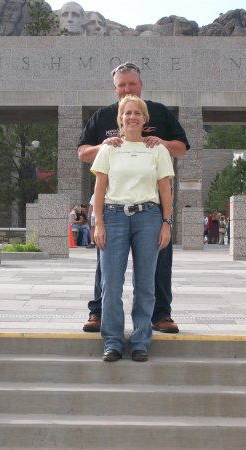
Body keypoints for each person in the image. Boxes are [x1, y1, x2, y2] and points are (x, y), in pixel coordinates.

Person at [78, 62, 190, 334]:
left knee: (159, 262)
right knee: (106, 265)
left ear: (141, 85)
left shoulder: (160, 113)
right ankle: (98, 312)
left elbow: (182, 147)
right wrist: (102, 146)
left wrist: (161, 143)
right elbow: (82, 153)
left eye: (132, 83)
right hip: (114, 209)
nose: (127, 88)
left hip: (150, 209)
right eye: (122, 85)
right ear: (115, 88)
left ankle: (161, 315)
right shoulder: (102, 117)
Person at [92, 95, 174, 362]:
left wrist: (166, 223)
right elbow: (100, 189)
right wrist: (99, 224)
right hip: (114, 217)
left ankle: (140, 340)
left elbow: (165, 190)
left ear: (144, 118)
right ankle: (113, 341)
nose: (132, 117)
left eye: (137, 113)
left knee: (145, 283)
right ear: (120, 118)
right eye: (127, 113)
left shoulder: (157, 150)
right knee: (111, 283)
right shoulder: (109, 149)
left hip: (148, 217)